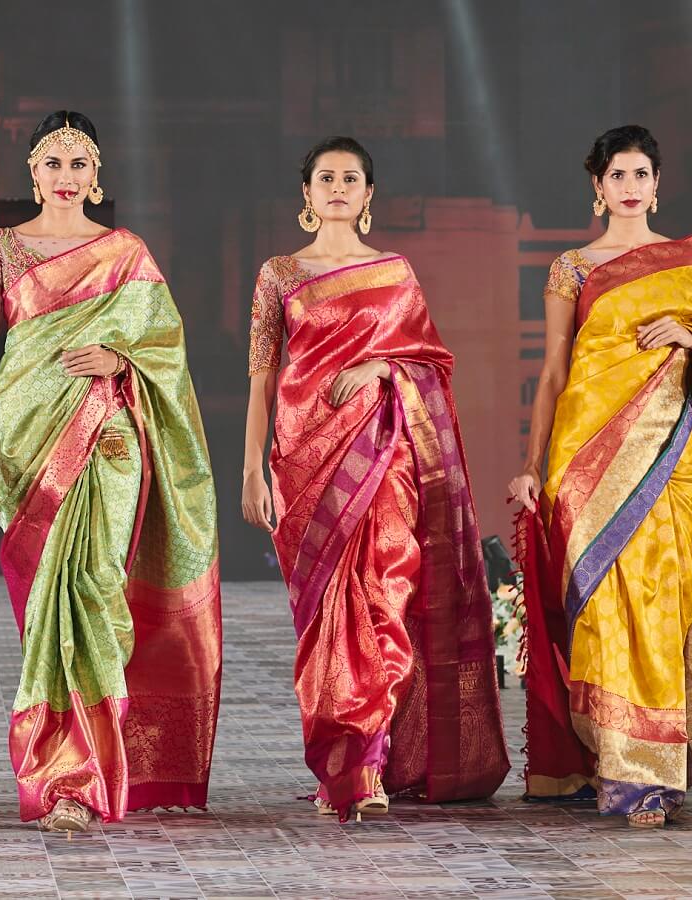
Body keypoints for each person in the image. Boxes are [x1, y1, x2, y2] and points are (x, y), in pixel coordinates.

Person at [0, 111, 222, 834]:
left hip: (109, 436)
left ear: (97, 175)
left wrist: (122, 360)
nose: (66, 178)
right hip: (22, 445)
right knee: (43, 604)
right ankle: (58, 771)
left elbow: (167, 346)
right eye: (53, 163)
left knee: (99, 588)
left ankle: (84, 777)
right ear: (32, 174)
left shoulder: (126, 252)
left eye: (80, 164)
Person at [239, 136, 507, 820]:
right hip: (303, 461)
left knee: (383, 600)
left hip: (385, 456)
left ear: (368, 195)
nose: (336, 186)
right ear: (305, 195)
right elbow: (263, 376)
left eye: (350, 178)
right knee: (324, 618)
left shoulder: (394, 272)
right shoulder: (279, 274)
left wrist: (384, 368)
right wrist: (250, 468)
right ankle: (341, 761)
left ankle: (368, 765)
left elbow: (430, 361)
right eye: (324, 177)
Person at [508, 126, 692, 828]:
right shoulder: (571, 267)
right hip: (583, 457)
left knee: (659, 593)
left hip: (668, 457)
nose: (628, 184)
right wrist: (533, 465)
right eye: (615, 173)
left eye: (640, 172)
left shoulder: (690, 263)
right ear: (597, 185)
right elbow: (555, 371)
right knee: (602, 605)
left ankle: (650, 763)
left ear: (658, 184)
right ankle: (616, 763)